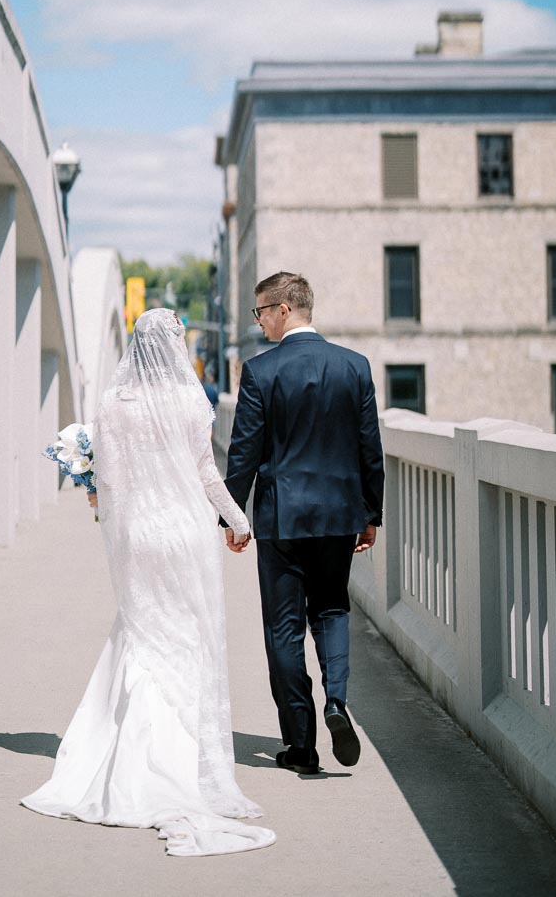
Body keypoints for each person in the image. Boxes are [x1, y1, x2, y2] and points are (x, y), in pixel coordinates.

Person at [22, 307, 276, 857]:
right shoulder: (190, 400)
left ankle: (133, 755)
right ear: (176, 347)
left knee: (144, 634)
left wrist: (94, 491)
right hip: (186, 535)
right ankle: (187, 760)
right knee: (190, 641)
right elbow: (207, 471)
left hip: (140, 536)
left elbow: (109, 478)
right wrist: (238, 519)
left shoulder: (113, 403)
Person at [223, 271, 384, 776]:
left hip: (281, 518)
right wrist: (370, 514)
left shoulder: (260, 372)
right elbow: (369, 449)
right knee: (333, 611)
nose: (260, 321)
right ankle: (337, 701)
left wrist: (231, 515)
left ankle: (302, 745)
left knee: (284, 629)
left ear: (284, 309)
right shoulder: (354, 366)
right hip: (339, 515)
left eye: (261, 311)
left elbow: (244, 453)